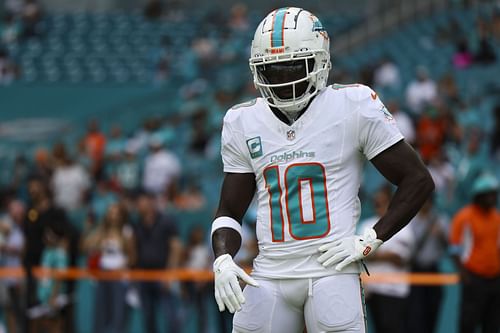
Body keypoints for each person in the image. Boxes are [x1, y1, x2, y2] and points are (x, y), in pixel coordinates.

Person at [210, 7, 434, 333]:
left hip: (332, 268)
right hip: (270, 273)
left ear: (319, 62)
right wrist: (222, 259)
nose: (283, 80)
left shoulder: (353, 105)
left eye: (292, 68)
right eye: (271, 70)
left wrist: (370, 239)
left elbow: (417, 179)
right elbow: (230, 209)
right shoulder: (242, 121)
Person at [359, 185, 415, 333]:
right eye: (376, 202)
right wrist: (383, 255)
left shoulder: (403, 226)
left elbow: (400, 258)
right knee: (378, 327)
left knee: (393, 327)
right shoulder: (367, 224)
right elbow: (361, 254)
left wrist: (374, 254)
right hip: (373, 288)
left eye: (382, 202)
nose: (378, 205)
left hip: (394, 288)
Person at [449, 173, 500, 333]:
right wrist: (464, 274)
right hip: (474, 278)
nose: (493, 198)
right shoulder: (464, 217)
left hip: (495, 279)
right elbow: (455, 250)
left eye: (495, 194)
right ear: (479, 196)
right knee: (468, 323)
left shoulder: (497, 218)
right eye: (489, 194)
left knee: (492, 324)